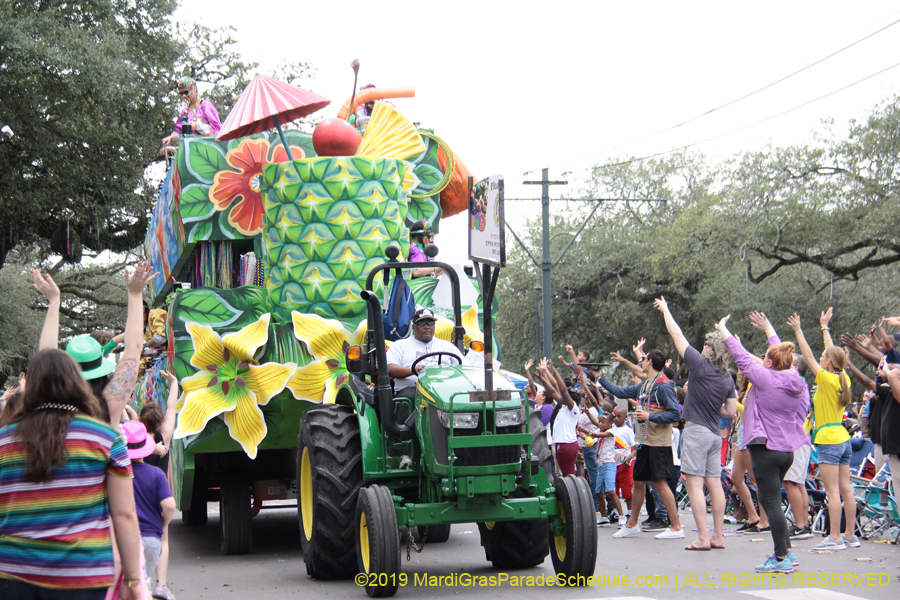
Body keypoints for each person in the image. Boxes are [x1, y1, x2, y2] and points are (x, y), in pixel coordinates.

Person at [0, 349, 142, 599]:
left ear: (31, 386)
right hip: (81, 574)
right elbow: (125, 514)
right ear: (76, 382)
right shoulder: (105, 438)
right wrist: (132, 578)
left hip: (14, 574)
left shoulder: (3, 441)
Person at [718, 314, 808, 574]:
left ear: (769, 362)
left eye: (766, 357)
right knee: (773, 501)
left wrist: (723, 329)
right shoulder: (794, 379)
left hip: (766, 448)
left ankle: (781, 557)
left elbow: (741, 357)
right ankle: (787, 551)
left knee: (771, 503)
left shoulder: (766, 379)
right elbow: (779, 354)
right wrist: (769, 328)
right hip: (786, 451)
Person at [654, 297, 736, 550]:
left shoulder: (699, 366)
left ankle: (702, 537)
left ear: (710, 350)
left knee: (695, 484)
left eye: (705, 345)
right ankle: (717, 536)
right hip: (714, 434)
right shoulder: (726, 379)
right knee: (715, 484)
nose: (702, 347)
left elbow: (676, 334)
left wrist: (666, 310)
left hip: (696, 431)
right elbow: (731, 411)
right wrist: (713, 404)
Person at [33, 263, 156, 427]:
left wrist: (54, 301)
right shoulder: (111, 403)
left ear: (67, 367)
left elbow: (46, 356)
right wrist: (135, 294)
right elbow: (134, 348)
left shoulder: (52, 404)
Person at [787, 309, 858, 551]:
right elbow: (833, 351)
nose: (820, 357)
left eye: (823, 357)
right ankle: (850, 535)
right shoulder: (843, 378)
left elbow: (806, 355)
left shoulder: (827, 380)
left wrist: (798, 331)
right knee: (846, 489)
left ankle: (835, 537)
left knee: (832, 491)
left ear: (828, 362)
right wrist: (824, 327)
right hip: (843, 438)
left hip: (828, 438)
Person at [602, 349, 683, 540]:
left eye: (644, 359)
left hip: (658, 443)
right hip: (644, 442)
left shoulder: (664, 386)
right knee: (638, 481)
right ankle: (632, 524)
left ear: (650, 362)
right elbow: (620, 392)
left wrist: (649, 416)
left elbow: (675, 414)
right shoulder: (645, 385)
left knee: (660, 482)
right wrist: (599, 378)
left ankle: (676, 527)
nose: (642, 362)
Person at [122, 421, 175, 598]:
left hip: (124, 539)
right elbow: (169, 505)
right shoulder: (156, 474)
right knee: (143, 583)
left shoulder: (116, 474)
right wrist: (162, 522)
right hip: (151, 539)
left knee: (127, 588)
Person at [386, 308, 463, 400]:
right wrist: (412, 370)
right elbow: (389, 368)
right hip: (412, 388)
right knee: (414, 397)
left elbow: (463, 367)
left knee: (460, 396)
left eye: (430, 323)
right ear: (414, 327)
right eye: (422, 324)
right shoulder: (400, 345)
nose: (427, 327)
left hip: (443, 387)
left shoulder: (447, 346)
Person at [160, 77, 221, 155]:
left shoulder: (206, 106)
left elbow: (217, 129)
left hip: (208, 151)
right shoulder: (184, 113)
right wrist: (171, 138)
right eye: (182, 93)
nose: (184, 96)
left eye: (187, 92)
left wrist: (197, 126)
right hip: (191, 153)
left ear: (194, 88)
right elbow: (180, 132)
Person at [611, 406, 636, 526]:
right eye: (614, 416)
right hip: (612, 464)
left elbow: (635, 448)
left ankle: (630, 513)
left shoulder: (628, 431)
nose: (616, 419)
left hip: (624, 465)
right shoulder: (611, 429)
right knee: (613, 490)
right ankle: (617, 512)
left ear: (625, 417)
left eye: (619, 416)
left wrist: (629, 457)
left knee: (626, 489)